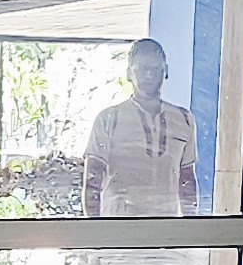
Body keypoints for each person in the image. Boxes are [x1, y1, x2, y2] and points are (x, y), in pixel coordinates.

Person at [82, 38, 199, 218]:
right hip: (119, 231)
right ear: (129, 73)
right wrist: (95, 233)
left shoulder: (183, 120)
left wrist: (190, 230)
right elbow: (92, 180)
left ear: (165, 72)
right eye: (142, 69)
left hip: (165, 232)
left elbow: (187, 180)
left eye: (155, 69)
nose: (149, 75)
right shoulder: (109, 119)